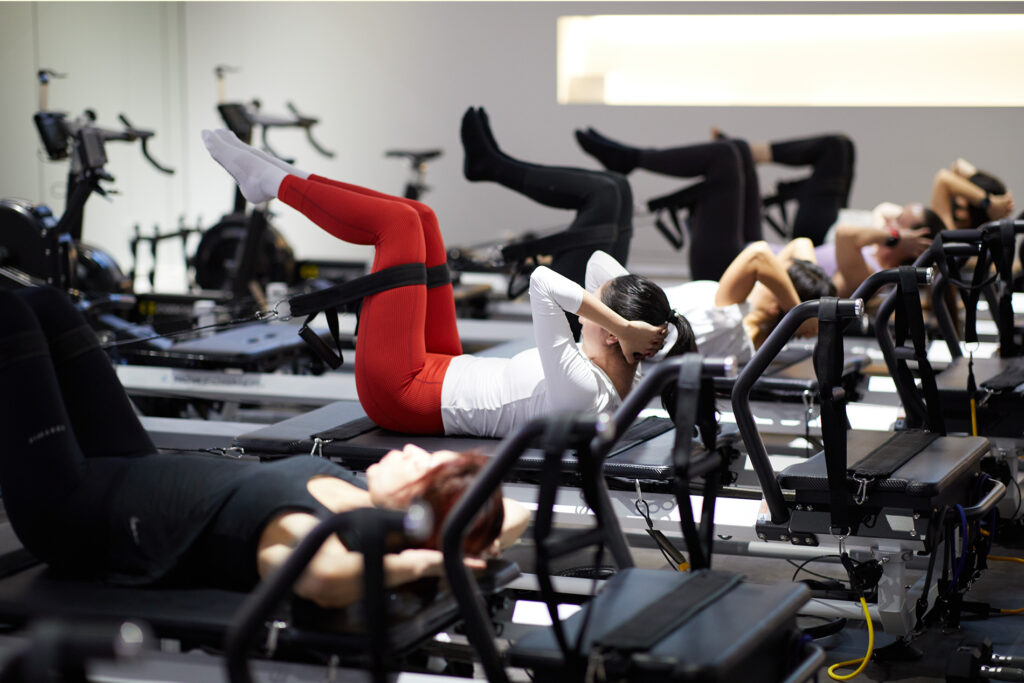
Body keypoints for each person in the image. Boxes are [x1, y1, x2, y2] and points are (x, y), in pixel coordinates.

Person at [0, 286, 530, 608]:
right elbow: (518, 516)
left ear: (413, 508)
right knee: (48, 304)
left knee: (11, 315)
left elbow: (323, 581)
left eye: (422, 466)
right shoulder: (360, 498)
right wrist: (456, 542)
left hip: (69, 510)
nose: (414, 451)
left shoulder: (314, 532)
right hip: (130, 466)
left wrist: (424, 563)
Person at [202, 129, 692, 439]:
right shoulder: (619, 373)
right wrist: (630, 326)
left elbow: (543, 281)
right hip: (445, 366)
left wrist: (623, 325)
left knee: (396, 226)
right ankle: (285, 177)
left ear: (613, 336)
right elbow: (602, 266)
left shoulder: (584, 389)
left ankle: (275, 183)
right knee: (422, 217)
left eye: (600, 315)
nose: (588, 312)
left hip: (406, 394)